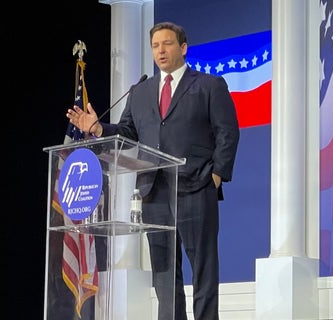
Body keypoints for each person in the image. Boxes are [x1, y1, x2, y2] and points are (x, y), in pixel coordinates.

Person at [66, 21, 240, 320]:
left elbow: (228, 132)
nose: (161, 50)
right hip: (154, 192)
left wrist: (216, 175)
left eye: (167, 44)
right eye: (156, 45)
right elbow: (127, 133)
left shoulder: (209, 85)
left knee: (203, 271)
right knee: (163, 274)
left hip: (197, 188)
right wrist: (97, 128)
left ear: (183, 48)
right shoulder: (141, 90)